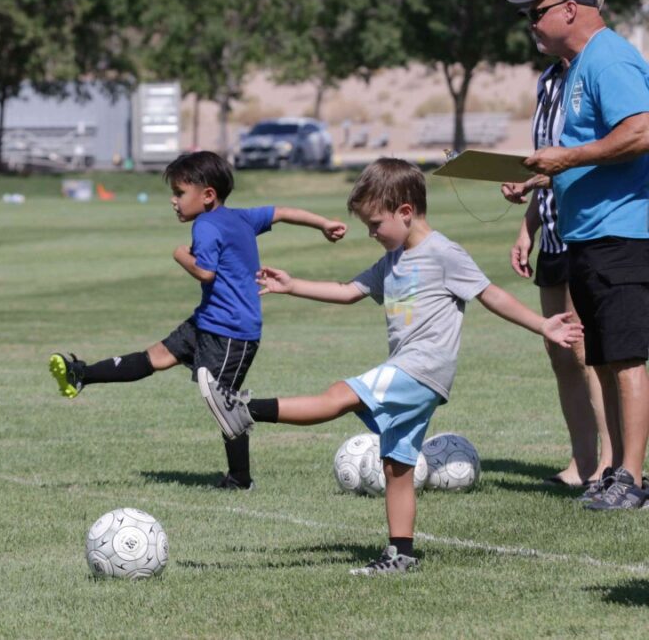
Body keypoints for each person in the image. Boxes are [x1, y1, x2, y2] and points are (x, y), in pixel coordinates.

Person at [198, 158, 582, 574]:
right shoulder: (393, 260)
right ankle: (402, 554)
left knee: (338, 394)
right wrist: (292, 286)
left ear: (405, 212)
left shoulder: (444, 253)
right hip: (411, 372)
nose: (372, 233)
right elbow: (348, 291)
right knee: (397, 467)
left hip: (421, 370)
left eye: (376, 224)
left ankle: (244, 410)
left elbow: (491, 295)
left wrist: (544, 324)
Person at [49, 150, 348, 490]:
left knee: (224, 401)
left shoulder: (205, 225)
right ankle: (82, 373)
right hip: (206, 321)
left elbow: (205, 272)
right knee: (155, 357)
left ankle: (240, 478)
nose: (174, 202)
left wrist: (179, 254)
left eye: (179, 193)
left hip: (233, 331)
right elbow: (282, 212)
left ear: (207, 196)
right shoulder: (240, 218)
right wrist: (323, 223)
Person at [507, 0, 649, 509]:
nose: (531, 24)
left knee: (628, 356)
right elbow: (597, 149)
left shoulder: (608, 56)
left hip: (622, 231)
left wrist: (567, 157)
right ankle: (616, 471)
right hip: (588, 234)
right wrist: (546, 175)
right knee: (606, 359)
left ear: (569, 9)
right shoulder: (579, 65)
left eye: (536, 13)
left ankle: (631, 479)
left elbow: (639, 130)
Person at [500, 0, 616, 489]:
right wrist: (528, 220)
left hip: (592, 228)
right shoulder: (548, 83)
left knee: (589, 350)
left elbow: (597, 153)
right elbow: (549, 159)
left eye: (538, 12)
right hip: (553, 228)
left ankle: (615, 465)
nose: (531, 24)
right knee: (559, 349)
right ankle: (583, 462)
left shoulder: (599, 69)